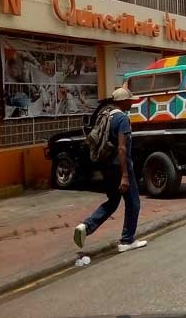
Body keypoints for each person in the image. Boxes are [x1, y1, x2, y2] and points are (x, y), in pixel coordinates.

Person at [73, 88, 146, 253]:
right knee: (133, 202)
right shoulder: (122, 119)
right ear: (122, 102)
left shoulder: (105, 116)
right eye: (130, 100)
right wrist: (125, 175)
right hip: (121, 168)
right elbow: (121, 148)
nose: (132, 102)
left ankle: (86, 226)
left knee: (112, 202)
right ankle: (127, 240)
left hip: (107, 167)